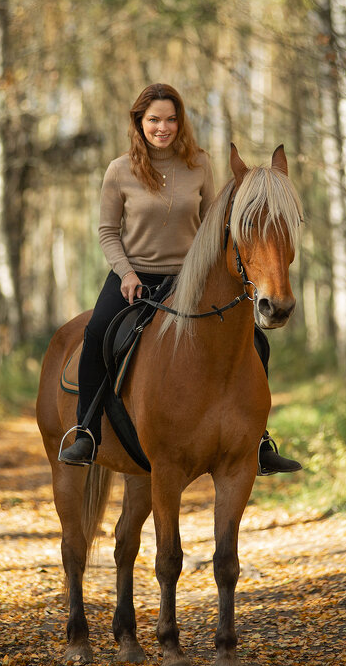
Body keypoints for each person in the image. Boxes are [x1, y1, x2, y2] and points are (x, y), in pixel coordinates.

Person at [59, 83, 301, 475]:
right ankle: (86, 430)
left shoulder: (200, 165)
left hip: (188, 277)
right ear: (139, 122)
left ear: (180, 122)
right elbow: (107, 231)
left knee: (255, 340)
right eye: (154, 119)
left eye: (171, 119)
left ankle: (258, 440)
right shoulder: (119, 170)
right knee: (98, 331)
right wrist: (126, 273)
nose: (163, 127)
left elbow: (212, 226)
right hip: (132, 276)